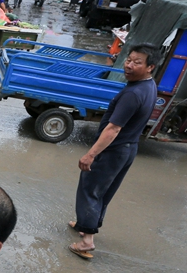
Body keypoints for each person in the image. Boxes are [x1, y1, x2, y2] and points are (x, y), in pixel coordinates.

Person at [68, 44, 159, 259]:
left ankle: (86, 240)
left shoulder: (133, 94)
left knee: (91, 189)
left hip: (114, 150)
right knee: (104, 191)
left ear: (150, 67)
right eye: (129, 59)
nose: (129, 65)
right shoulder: (149, 86)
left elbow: (113, 128)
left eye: (137, 62)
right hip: (128, 149)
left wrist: (90, 154)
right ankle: (86, 224)